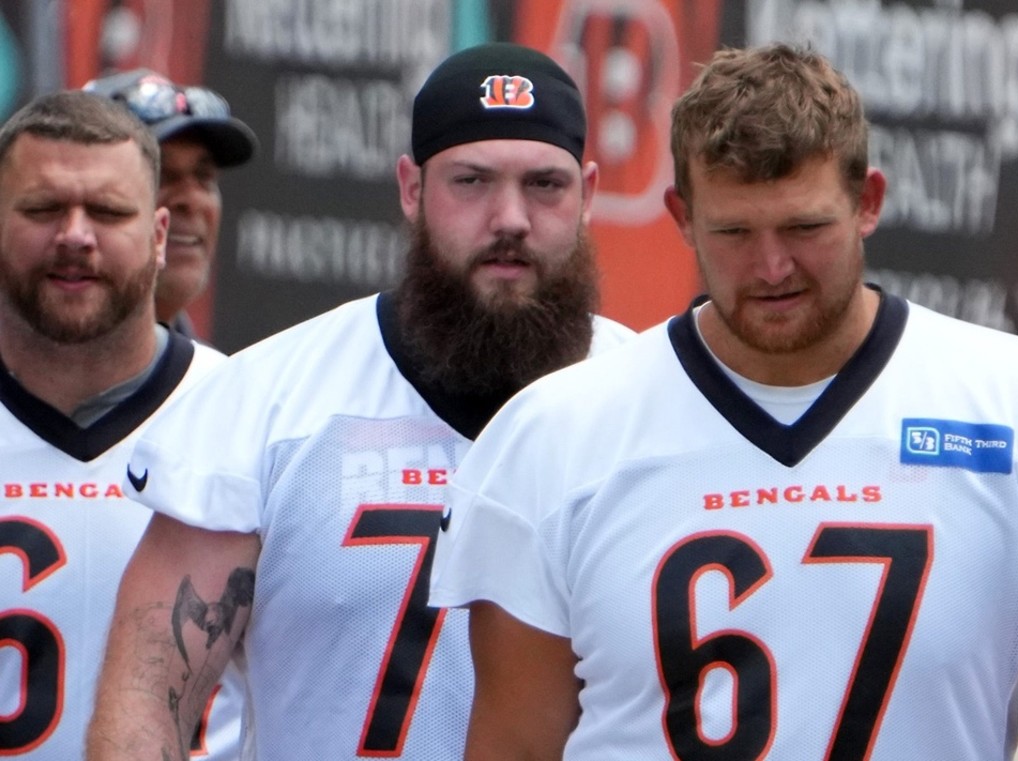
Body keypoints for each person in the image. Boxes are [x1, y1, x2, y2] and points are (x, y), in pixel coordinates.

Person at [428, 43, 1018, 760]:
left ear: (869, 202)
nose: (771, 265)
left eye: (805, 226)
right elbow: (517, 740)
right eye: (734, 231)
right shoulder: (554, 435)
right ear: (682, 216)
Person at [85, 42, 633, 761]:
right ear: (411, 188)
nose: (511, 218)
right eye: (470, 181)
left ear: (588, 193)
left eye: (545, 185)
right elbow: (144, 698)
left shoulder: (643, 402)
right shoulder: (269, 401)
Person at [0, 92, 240, 758]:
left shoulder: (250, 414)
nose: (75, 235)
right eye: (43, 208)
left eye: (107, 211)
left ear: (158, 235)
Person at [83, 68, 257, 338]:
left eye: (204, 177)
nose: (192, 200)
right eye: (160, 174)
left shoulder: (219, 374)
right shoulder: (18, 364)